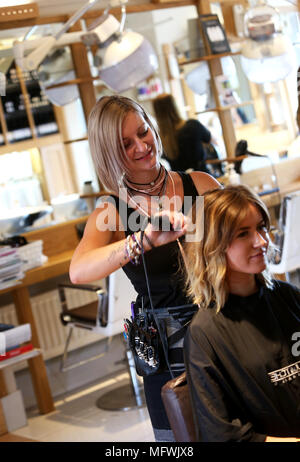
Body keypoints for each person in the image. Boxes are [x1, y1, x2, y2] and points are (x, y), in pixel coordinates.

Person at [69, 95, 220, 442]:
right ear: (109, 152)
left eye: (143, 132)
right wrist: (145, 239)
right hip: (166, 350)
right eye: (126, 143)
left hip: (220, 330)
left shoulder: (202, 184)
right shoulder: (111, 210)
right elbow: (79, 270)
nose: (141, 146)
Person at [183, 185, 300, 443]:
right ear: (213, 245)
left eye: (261, 227)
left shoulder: (287, 297)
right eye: (243, 234)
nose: (262, 241)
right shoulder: (205, 335)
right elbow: (221, 434)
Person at [152, 93, 222, 175]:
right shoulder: (193, 125)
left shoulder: (159, 139)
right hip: (203, 179)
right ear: (175, 107)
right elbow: (215, 141)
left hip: (182, 184)